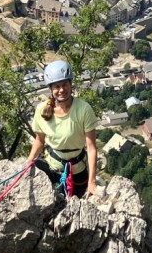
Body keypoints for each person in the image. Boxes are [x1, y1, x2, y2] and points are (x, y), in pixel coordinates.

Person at [26, 59, 99, 198]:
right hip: (52, 167)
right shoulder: (42, 110)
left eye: (65, 84)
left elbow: (91, 148)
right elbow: (40, 140)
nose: (61, 90)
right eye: (57, 86)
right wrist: (29, 161)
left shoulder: (83, 109)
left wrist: (92, 181)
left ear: (71, 85)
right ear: (51, 89)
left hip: (77, 172)